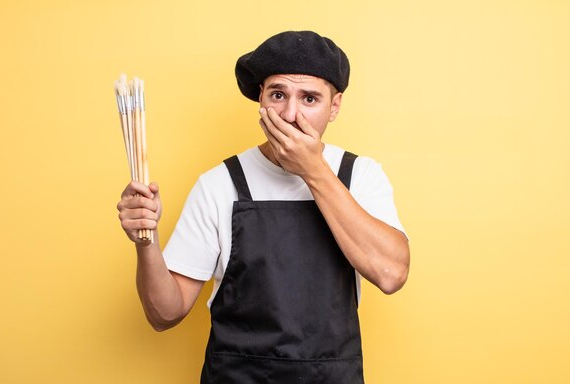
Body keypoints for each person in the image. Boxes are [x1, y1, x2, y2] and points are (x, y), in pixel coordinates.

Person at [117, 30, 410, 383]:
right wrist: (145, 242)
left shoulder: (359, 175)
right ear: (261, 99)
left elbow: (392, 275)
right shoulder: (220, 183)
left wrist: (313, 170)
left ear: (334, 107)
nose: (290, 114)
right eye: (278, 95)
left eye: (310, 99)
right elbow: (164, 314)